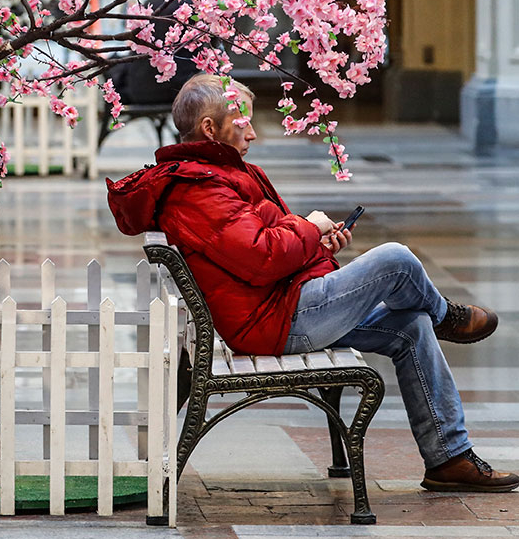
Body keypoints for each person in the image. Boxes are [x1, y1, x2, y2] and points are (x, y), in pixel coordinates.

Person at [106, 73, 518, 492]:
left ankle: (448, 458)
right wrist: (307, 226)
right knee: (395, 260)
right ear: (210, 129)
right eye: (242, 120)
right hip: (271, 321)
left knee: (411, 326)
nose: (253, 130)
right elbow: (261, 257)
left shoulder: (223, 176)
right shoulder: (196, 189)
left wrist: (320, 243)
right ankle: (448, 316)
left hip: (283, 303)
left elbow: (264, 246)